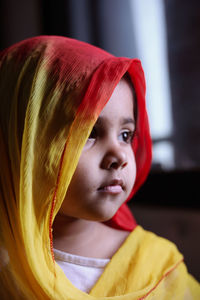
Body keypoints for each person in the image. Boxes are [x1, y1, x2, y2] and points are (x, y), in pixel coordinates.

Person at [0, 36, 199, 299]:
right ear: (22, 144)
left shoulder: (157, 268)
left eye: (126, 135)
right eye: (89, 132)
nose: (119, 155)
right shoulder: (7, 266)